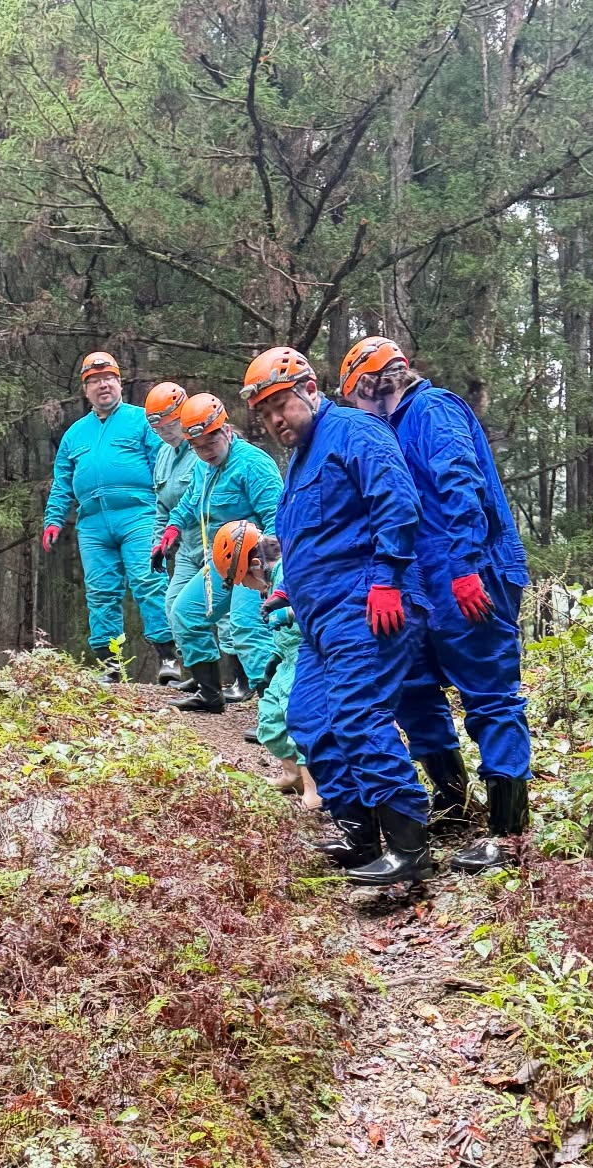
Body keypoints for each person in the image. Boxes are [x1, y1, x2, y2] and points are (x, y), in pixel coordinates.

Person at [242, 346, 433, 887]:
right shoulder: (298, 461)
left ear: (308, 389)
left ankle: (409, 846)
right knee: (307, 718)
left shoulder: (353, 431)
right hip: (318, 619)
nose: (276, 419)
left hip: (366, 606)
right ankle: (359, 831)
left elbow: (396, 502)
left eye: (281, 404)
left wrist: (388, 579)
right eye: (265, 413)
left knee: (358, 714)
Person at [339, 336, 531, 872]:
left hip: (470, 573)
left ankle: (507, 832)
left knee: (489, 693)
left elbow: (459, 484)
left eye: (356, 395)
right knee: (415, 693)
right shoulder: (390, 429)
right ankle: (452, 801)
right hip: (422, 583)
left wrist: (468, 566)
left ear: (374, 383)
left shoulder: (433, 409)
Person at [42, 351, 177, 680]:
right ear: (86, 390)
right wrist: (53, 519)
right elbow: (62, 482)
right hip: (92, 524)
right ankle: (110, 664)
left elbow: (164, 465)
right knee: (101, 591)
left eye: (109, 379)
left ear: (119, 383)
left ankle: (169, 659)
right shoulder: (75, 434)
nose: (103, 385)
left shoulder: (141, 419)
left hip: (140, 514)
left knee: (148, 582)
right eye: (95, 381)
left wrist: (169, 513)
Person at [156, 393, 282, 715]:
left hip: (254, 563)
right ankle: (210, 694)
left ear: (225, 431)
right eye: (197, 447)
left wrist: (267, 572)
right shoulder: (202, 466)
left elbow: (277, 520)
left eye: (210, 444)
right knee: (185, 612)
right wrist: (171, 531)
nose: (205, 453)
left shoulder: (254, 465)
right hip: (222, 559)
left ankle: (276, 713)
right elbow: (188, 504)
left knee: (246, 627)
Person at [211, 521, 320, 809]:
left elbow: (316, 605)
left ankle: (315, 789)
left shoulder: (289, 570)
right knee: (270, 715)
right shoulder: (269, 581)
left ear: (257, 564)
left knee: (297, 716)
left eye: (242, 579)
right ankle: (292, 774)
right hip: (287, 658)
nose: (244, 586)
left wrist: (288, 615)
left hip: (306, 654)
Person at [145, 381, 198, 687]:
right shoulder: (164, 456)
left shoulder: (204, 443)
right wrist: (157, 544)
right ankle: (199, 674)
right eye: (159, 429)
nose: (165, 433)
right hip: (186, 545)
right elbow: (162, 507)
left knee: (225, 614)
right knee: (175, 605)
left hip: (215, 539)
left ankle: (243, 681)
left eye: (170, 425)